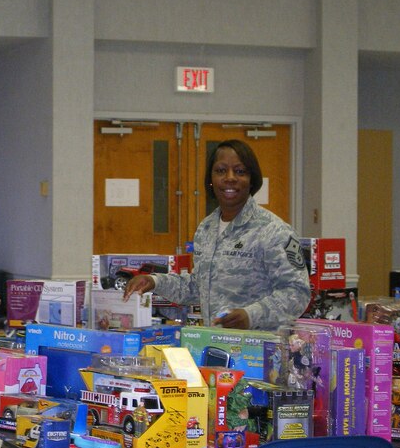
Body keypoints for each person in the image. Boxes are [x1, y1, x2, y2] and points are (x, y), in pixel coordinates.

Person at [123, 139, 310, 331]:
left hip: (259, 351)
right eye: (221, 171)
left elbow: (297, 292)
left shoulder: (275, 230)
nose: (230, 178)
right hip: (214, 345)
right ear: (211, 180)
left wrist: (251, 315)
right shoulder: (206, 228)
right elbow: (197, 287)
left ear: (252, 179)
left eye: (240, 171)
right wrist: (154, 281)